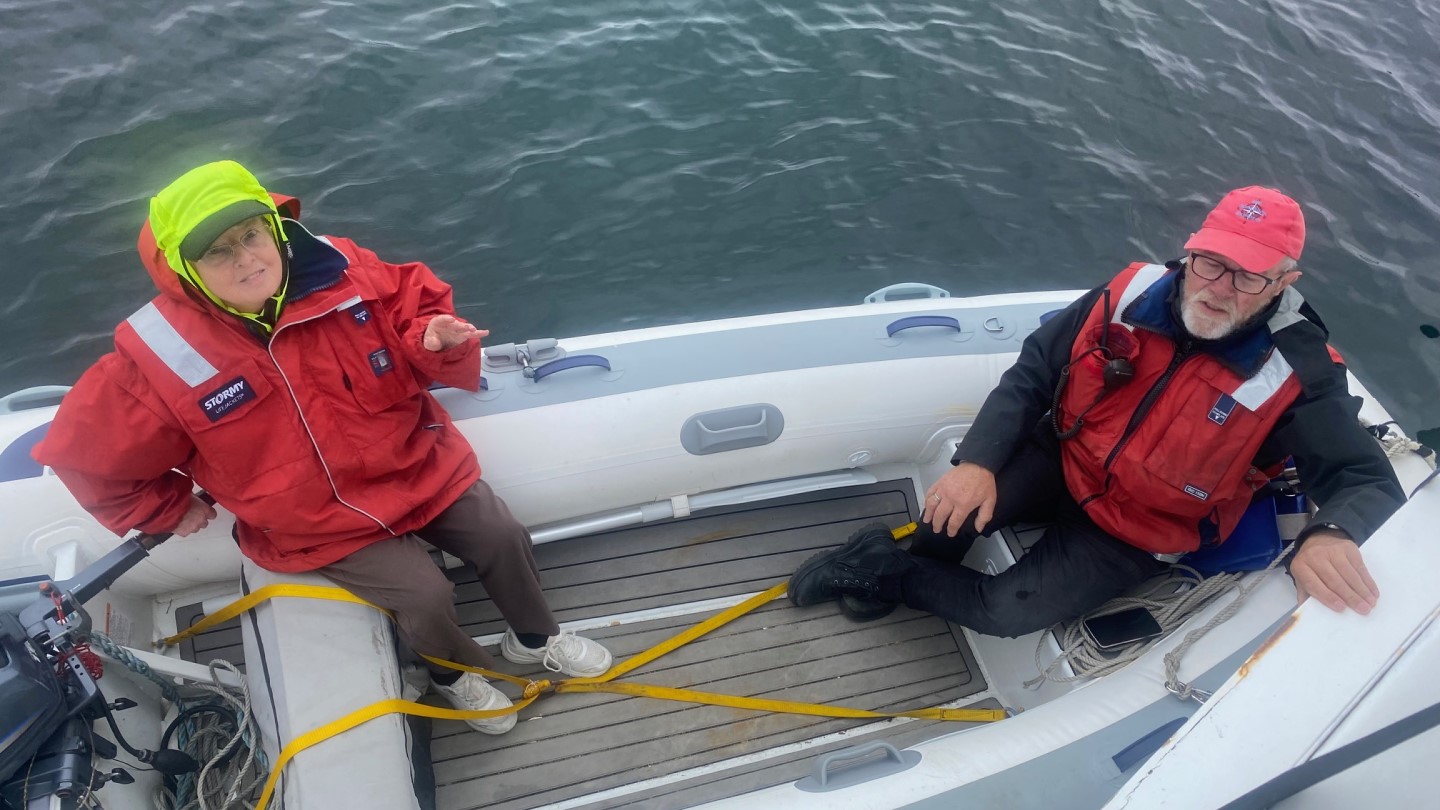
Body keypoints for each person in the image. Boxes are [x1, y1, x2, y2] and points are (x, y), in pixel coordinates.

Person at [33, 160, 611, 735]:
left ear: (275, 229)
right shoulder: (156, 353)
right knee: (426, 596)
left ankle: (535, 638)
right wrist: (167, 508)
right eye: (217, 252)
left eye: (252, 235)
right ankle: (452, 674)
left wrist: (432, 339)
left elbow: (415, 309)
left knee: (502, 534)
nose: (245, 259)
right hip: (315, 521)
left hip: (415, 463)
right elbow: (87, 457)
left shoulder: (345, 268)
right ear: (186, 270)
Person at [789, 186, 1407, 635]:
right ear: (1191, 251)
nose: (1219, 287)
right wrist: (977, 461)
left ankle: (881, 571)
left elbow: (1364, 477)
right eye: (1211, 262)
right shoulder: (1129, 290)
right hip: (1064, 457)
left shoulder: (1300, 371)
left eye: (1247, 277)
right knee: (945, 520)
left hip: (1137, 528)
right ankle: (905, 564)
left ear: (1283, 282)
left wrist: (1331, 533)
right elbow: (1036, 367)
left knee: (1004, 613)